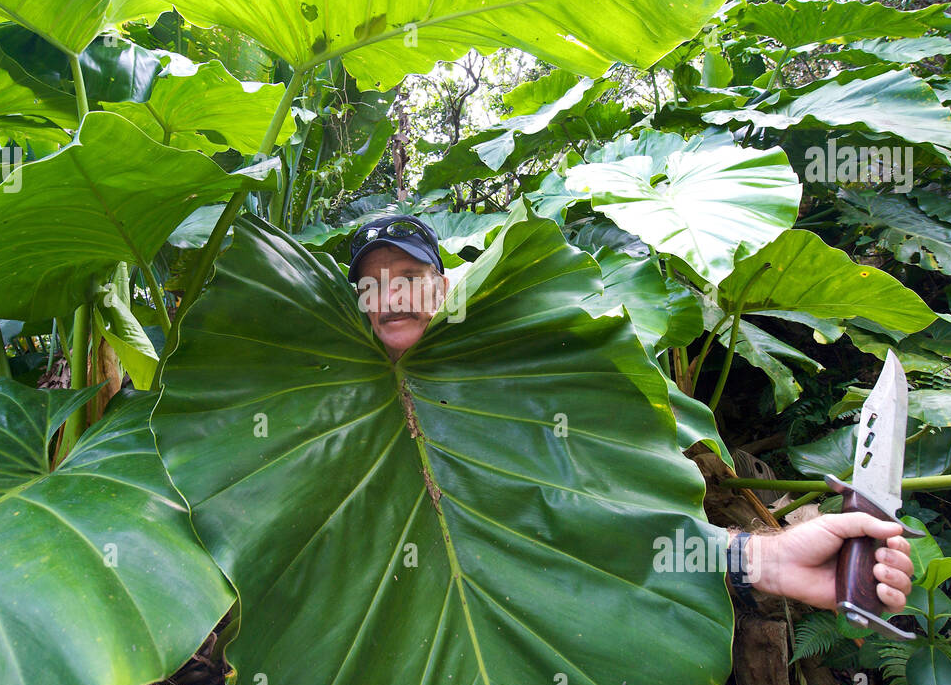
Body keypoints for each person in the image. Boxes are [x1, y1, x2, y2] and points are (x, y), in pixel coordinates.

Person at [346, 212, 914, 613]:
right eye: (373, 285)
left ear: (445, 287)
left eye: (411, 280)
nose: (391, 297)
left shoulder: (519, 384)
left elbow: (611, 522)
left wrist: (768, 561)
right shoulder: (336, 413)